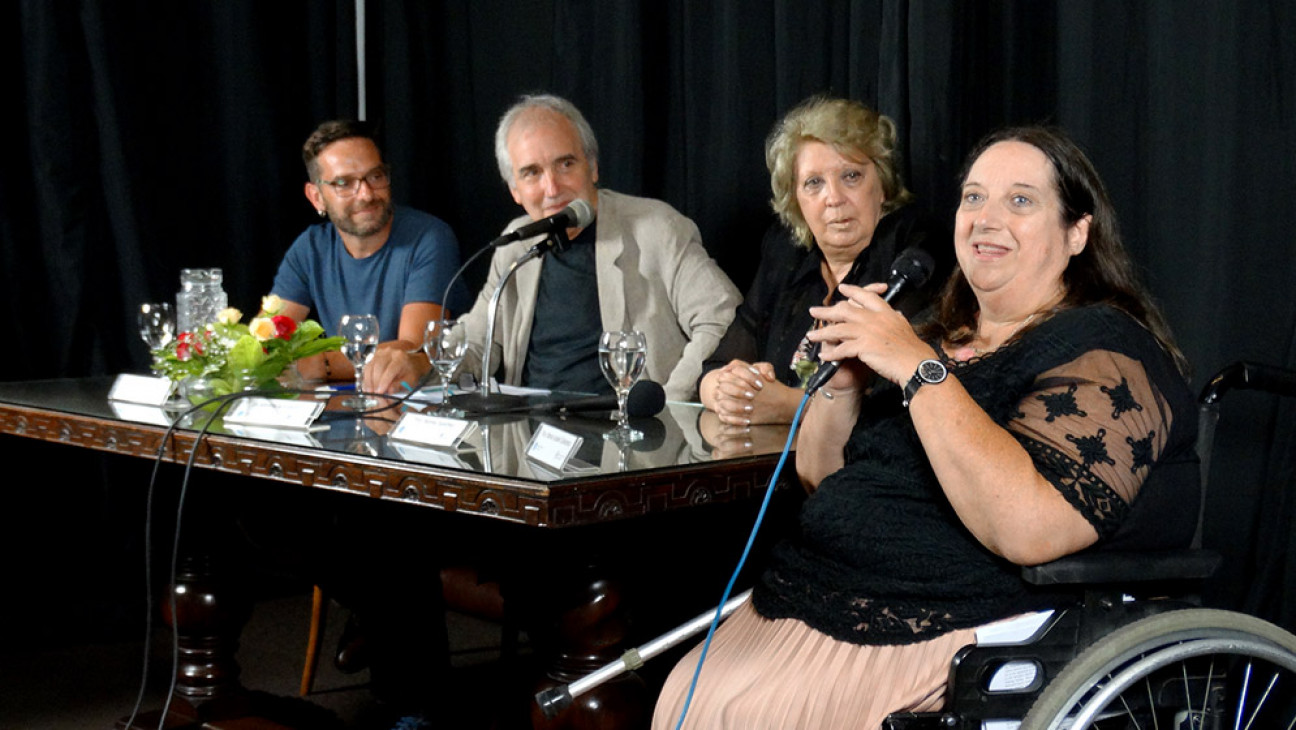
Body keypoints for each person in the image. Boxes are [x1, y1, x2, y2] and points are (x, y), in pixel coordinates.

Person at [652, 126, 1199, 728]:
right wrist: (841, 386)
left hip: (946, 624)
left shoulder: (1105, 350)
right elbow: (821, 477)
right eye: (973, 197)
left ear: (1077, 233)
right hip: (803, 599)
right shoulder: (939, 335)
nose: (986, 219)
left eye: (1020, 200)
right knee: (683, 695)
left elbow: (1031, 530)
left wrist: (918, 369)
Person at [456, 93, 741, 401]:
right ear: (515, 190)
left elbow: (723, 316)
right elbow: (475, 343)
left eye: (565, 164)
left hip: (627, 436)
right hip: (532, 436)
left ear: (592, 167)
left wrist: (669, 404)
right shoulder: (516, 243)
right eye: (532, 173)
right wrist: (418, 362)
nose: (552, 188)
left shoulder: (657, 228)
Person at [700, 96, 949, 426]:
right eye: (814, 183)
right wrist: (727, 390)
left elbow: (896, 400)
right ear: (796, 201)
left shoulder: (912, 250)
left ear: (883, 186)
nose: (833, 198)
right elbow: (715, 367)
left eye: (851, 176)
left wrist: (791, 406)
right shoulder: (784, 253)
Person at [270, 119, 465, 392]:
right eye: (344, 183)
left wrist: (322, 364)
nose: (366, 194)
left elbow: (411, 351)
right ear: (317, 197)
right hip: (347, 408)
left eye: (375, 176)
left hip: (416, 406)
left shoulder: (429, 237)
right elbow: (270, 339)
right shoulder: (310, 247)